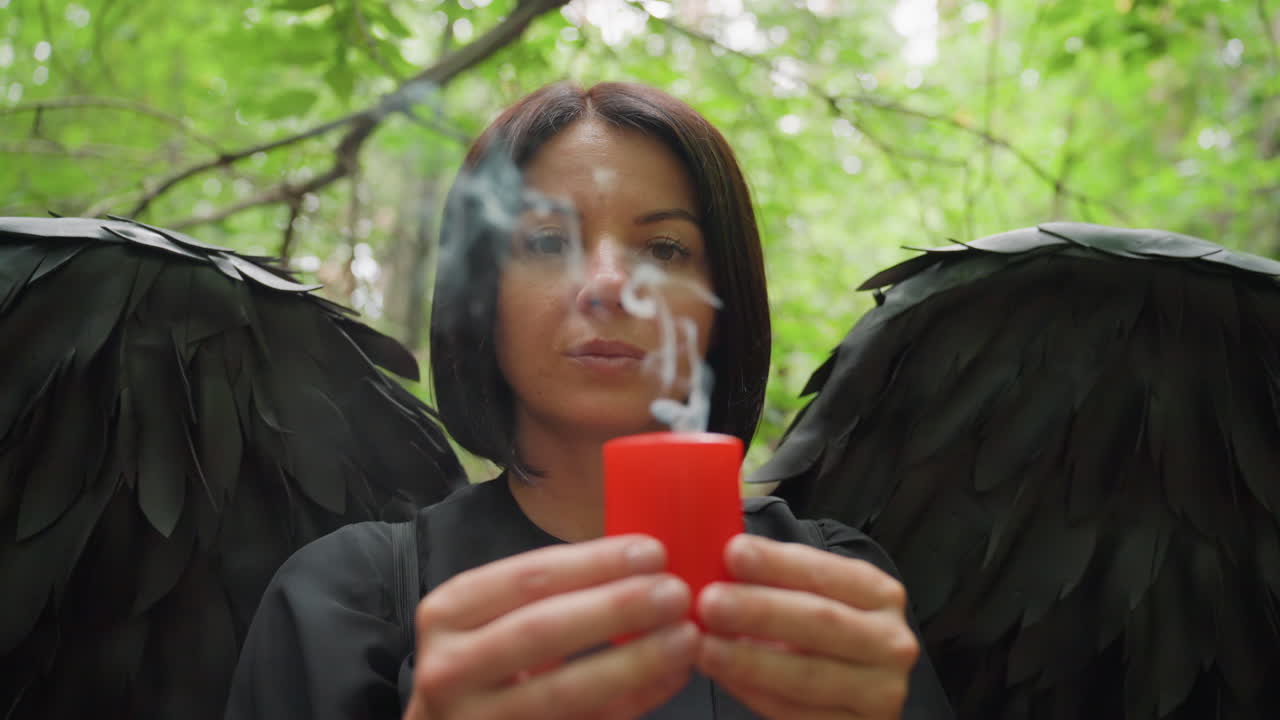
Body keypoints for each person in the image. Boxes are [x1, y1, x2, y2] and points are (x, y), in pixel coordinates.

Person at [224, 81, 955, 720]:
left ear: (721, 308)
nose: (609, 284)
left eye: (665, 249)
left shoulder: (838, 594)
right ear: (480, 302)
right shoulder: (347, 600)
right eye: (546, 243)